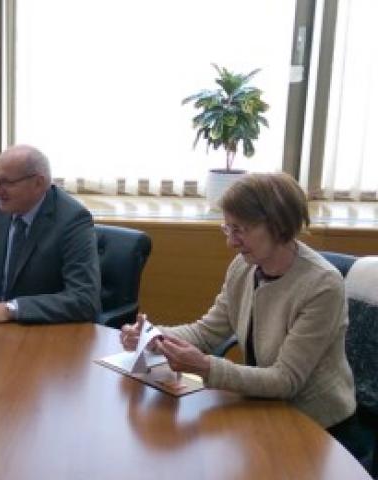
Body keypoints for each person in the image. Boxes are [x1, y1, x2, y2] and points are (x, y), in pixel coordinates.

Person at [120, 173, 371, 461]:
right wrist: (153, 335)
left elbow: (286, 380)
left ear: (277, 225)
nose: (231, 242)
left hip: (319, 426)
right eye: (227, 229)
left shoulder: (322, 285)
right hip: (267, 407)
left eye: (239, 230)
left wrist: (206, 367)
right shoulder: (244, 266)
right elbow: (206, 332)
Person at [0, 144, 100, 325]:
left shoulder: (72, 220)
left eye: (6, 183)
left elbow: (84, 299)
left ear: (38, 183)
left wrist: (11, 309)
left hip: (47, 331)